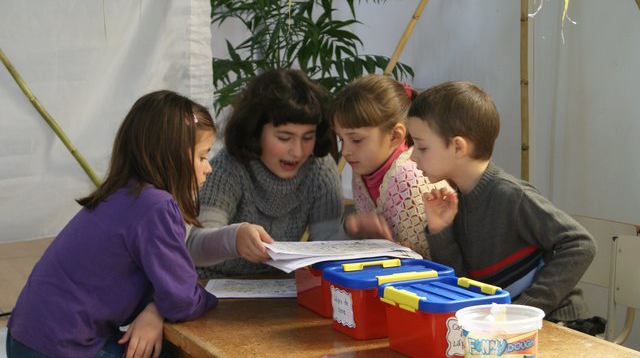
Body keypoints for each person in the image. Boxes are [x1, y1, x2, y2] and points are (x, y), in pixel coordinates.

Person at [6, 90, 219, 358]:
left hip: (26, 338)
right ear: (171, 156)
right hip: (62, 347)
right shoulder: (157, 206)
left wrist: (155, 308)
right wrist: (213, 299)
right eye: (202, 156)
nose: (208, 167)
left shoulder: (123, 194)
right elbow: (181, 300)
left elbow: (171, 288)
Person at [407, 80, 596, 323]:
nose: (412, 156)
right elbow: (462, 286)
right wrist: (440, 229)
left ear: (457, 146)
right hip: (503, 329)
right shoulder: (459, 199)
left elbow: (581, 244)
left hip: (561, 325)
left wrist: (526, 309)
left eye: (421, 147)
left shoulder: (510, 195)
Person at [187, 69, 392, 279]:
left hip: (279, 288)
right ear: (255, 132)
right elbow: (194, 245)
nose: (298, 151)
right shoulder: (228, 168)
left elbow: (325, 244)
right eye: (285, 138)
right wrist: (234, 238)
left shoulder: (320, 169)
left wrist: (351, 230)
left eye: (307, 137)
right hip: (211, 286)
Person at [332, 74, 449, 259]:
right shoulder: (361, 174)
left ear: (395, 136)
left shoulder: (412, 180)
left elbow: (436, 261)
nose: (345, 151)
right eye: (341, 139)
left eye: (356, 140)